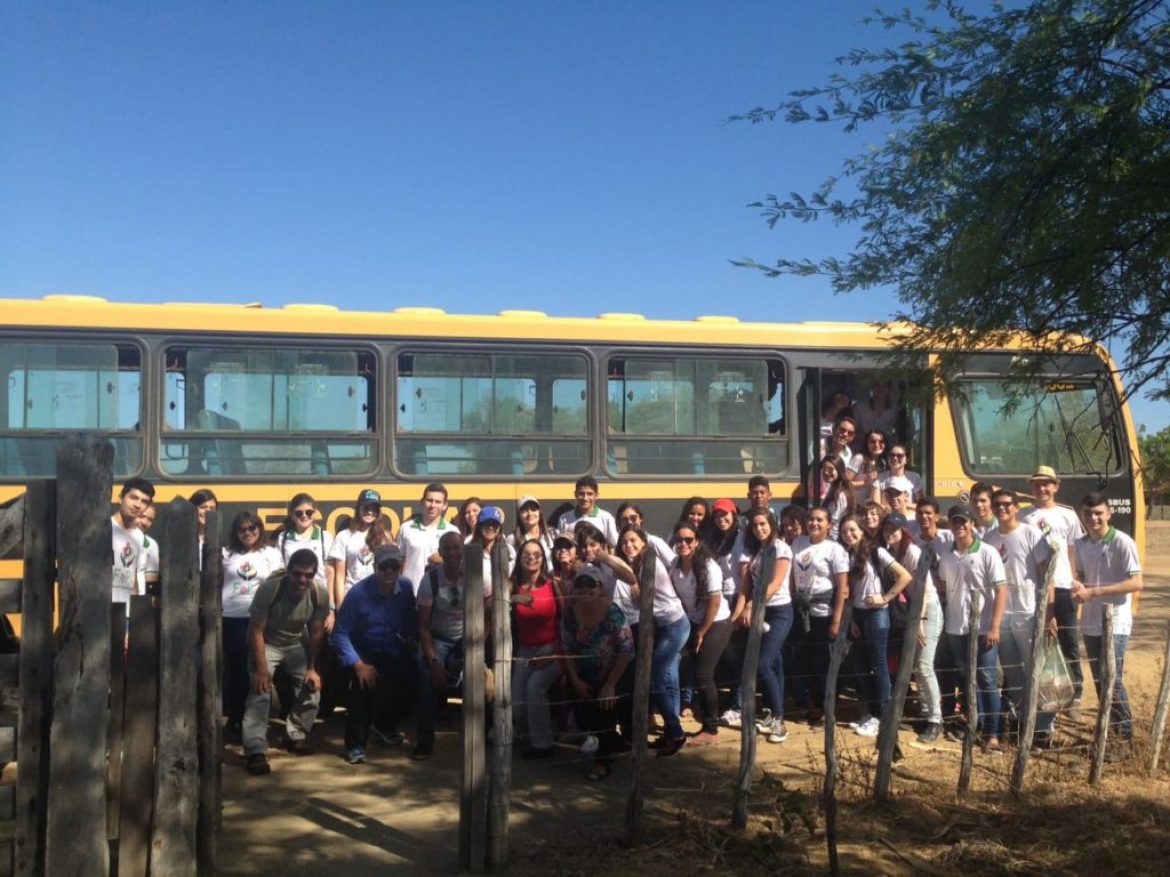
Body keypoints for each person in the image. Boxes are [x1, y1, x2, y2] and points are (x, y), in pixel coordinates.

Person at [241, 549, 328, 776]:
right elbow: (256, 631)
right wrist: (261, 669)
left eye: (308, 575)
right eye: (297, 574)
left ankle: (295, 734)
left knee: (311, 688)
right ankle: (255, 749)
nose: (302, 580)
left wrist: (312, 668)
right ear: (288, 572)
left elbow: (317, 632)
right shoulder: (271, 588)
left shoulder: (319, 592)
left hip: (297, 642)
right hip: (266, 642)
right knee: (260, 690)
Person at [332, 544, 418, 764]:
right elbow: (340, 634)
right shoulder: (358, 594)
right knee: (362, 687)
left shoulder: (406, 587)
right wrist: (358, 664)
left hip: (391, 647)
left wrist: (411, 640)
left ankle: (384, 726)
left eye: (394, 566)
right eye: (384, 566)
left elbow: (409, 617)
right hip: (362, 649)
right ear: (374, 567)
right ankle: (356, 745)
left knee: (415, 678)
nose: (389, 571)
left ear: (400, 567)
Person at [1072, 492, 1142, 759]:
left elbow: (1136, 583)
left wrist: (1095, 592)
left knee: (1112, 678)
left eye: (1099, 513)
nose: (1094, 518)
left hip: (1117, 621)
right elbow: (1081, 575)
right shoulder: (1081, 543)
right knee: (1101, 681)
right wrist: (1079, 586)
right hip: (1090, 622)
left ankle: (1124, 739)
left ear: (1109, 513)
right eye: (1089, 514)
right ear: (1082, 516)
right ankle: (1109, 733)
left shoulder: (1123, 542)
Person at [413, 531, 492, 760]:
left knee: (478, 680)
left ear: (464, 550)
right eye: (447, 548)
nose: (453, 553)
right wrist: (434, 662)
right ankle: (424, 742)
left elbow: (489, 615)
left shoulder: (477, 576)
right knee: (426, 680)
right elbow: (424, 626)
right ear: (440, 552)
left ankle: (480, 740)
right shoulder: (430, 580)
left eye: (457, 548)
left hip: (470, 637)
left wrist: (478, 647)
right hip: (438, 638)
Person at [983, 489, 1053, 743]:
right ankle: (1023, 720)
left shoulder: (1031, 533)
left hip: (1029, 611)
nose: (1001, 509)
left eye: (1006, 505)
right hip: (1002, 615)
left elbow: (1047, 576)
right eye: (997, 505)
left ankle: (1043, 726)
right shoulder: (989, 538)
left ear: (1016, 507)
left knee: (1036, 669)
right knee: (1013, 673)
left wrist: (1049, 614)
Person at [938, 505, 1008, 752]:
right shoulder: (946, 556)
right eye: (955, 522)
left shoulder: (988, 552)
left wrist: (995, 625)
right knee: (969, 678)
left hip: (984, 627)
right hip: (956, 627)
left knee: (987, 678)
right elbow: (945, 587)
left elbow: (1001, 589)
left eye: (963, 521)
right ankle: (975, 726)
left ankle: (994, 733)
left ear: (971, 524)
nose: (959, 526)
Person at [1018, 465, 1086, 716]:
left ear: (1056, 486)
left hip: (1063, 585)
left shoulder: (1068, 515)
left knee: (1068, 640)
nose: (1042, 488)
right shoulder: (1024, 516)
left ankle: (1075, 693)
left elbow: (1072, 551)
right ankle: (1045, 691)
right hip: (1035, 588)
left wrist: (1076, 579)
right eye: (1037, 484)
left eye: (1047, 483)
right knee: (1038, 641)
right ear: (1031, 487)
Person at [617, 524, 690, 757]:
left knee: (653, 678)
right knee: (661, 676)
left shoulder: (650, 562)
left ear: (644, 543)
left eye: (633, 541)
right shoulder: (637, 564)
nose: (629, 545)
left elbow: (639, 597)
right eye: (625, 541)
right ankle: (671, 731)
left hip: (674, 625)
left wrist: (629, 577)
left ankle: (676, 731)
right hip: (663, 626)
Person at [839, 515, 911, 737]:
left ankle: (884, 716)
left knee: (879, 665)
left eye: (853, 530)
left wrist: (885, 598)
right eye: (844, 532)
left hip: (877, 614)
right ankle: (871, 713)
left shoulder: (877, 552)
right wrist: (850, 620)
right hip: (858, 615)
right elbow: (850, 593)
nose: (848, 535)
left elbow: (904, 576)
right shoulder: (848, 556)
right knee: (861, 665)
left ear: (862, 530)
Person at [560, 565, 634, 780]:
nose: (585, 590)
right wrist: (574, 679)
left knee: (604, 713)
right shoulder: (570, 613)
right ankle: (616, 744)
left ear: (600, 587)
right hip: (584, 673)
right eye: (580, 584)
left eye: (590, 584)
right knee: (585, 717)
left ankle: (602, 763)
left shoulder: (612, 612)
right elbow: (567, 647)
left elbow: (626, 649)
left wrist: (610, 684)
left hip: (615, 672)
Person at [880, 512, 943, 742]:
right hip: (914, 611)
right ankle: (926, 713)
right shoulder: (892, 552)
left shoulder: (913, 552)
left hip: (928, 608)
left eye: (894, 529)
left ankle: (936, 719)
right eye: (886, 529)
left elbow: (924, 590)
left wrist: (919, 621)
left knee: (925, 665)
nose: (890, 533)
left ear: (904, 530)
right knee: (917, 666)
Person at [221, 510, 283, 742]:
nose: (248, 533)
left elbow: (278, 583)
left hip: (261, 618)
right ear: (236, 533)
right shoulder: (225, 554)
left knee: (259, 669)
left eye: (252, 528)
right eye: (242, 529)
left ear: (260, 529)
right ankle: (236, 718)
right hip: (231, 618)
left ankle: (256, 721)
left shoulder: (271, 554)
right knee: (236, 670)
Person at [735, 510, 795, 744]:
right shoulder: (758, 551)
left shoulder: (781, 548)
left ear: (772, 524)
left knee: (764, 663)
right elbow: (748, 584)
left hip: (780, 611)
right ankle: (772, 712)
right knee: (775, 663)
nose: (759, 528)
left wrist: (752, 604)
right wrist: (741, 610)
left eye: (763, 524)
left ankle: (780, 721)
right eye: (755, 525)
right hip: (763, 611)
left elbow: (775, 584)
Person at [672, 521, 731, 745]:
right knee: (698, 673)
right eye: (679, 540)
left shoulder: (708, 566)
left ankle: (711, 730)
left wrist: (701, 633)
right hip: (695, 621)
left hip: (715, 622)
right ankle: (706, 721)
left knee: (704, 674)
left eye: (688, 540)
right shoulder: (675, 565)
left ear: (696, 541)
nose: (683, 544)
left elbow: (714, 603)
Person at [790, 507, 850, 728]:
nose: (814, 523)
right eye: (811, 519)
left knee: (824, 662)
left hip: (824, 613)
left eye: (819, 520)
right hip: (802, 611)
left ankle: (828, 710)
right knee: (805, 662)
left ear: (829, 525)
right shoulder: (798, 544)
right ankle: (814, 705)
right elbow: (792, 576)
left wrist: (836, 619)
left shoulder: (835, 549)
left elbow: (843, 587)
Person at [510, 539, 561, 759]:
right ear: (520, 558)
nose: (531, 557)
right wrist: (515, 598)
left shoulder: (553, 584)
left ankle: (543, 745)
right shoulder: (512, 584)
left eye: (537, 554)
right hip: (524, 651)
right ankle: (532, 733)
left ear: (543, 558)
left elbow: (568, 622)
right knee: (516, 704)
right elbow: (492, 602)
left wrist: (555, 652)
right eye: (527, 554)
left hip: (553, 650)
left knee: (534, 688)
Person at [707, 498, 748, 728]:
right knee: (727, 655)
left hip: (735, 598)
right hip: (719, 599)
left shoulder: (742, 538)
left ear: (734, 515)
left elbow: (747, 578)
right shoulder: (713, 540)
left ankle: (738, 706)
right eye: (717, 516)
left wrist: (742, 608)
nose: (721, 519)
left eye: (726, 515)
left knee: (737, 655)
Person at [274, 494, 335, 628]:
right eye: (299, 513)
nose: (304, 516)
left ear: (315, 513)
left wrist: (331, 608)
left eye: (309, 512)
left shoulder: (325, 537)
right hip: (292, 597)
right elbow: (279, 571)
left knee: (318, 642)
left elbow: (330, 573)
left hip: (319, 597)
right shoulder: (283, 538)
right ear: (291, 514)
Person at [329, 488, 386, 605]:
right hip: (352, 597)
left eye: (374, 509)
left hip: (378, 599)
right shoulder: (344, 536)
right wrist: (340, 606)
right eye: (366, 508)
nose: (370, 512)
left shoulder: (384, 537)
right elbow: (340, 576)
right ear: (358, 508)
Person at [396, 483, 453, 594]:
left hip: (440, 595)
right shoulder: (406, 528)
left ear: (445, 505)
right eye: (429, 500)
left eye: (438, 502)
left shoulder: (452, 531)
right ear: (422, 502)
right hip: (410, 593)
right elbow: (399, 561)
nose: (433, 505)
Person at [112, 477, 154, 607]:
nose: (138, 505)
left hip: (127, 611)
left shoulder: (139, 536)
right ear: (121, 498)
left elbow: (135, 575)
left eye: (144, 501)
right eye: (133, 498)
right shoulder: (105, 528)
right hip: (103, 610)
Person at [557, 476, 619, 547]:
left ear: (596, 496)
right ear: (575, 494)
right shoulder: (564, 519)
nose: (585, 498)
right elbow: (561, 544)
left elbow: (614, 544)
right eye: (581, 494)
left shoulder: (606, 518)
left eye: (590, 494)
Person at [615, 502, 675, 566]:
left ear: (641, 519)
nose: (629, 522)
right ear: (619, 523)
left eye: (633, 518)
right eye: (624, 520)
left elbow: (674, 565)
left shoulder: (654, 542)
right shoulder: (620, 545)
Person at [814, 455, 853, 540]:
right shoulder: (832, 489)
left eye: (831, 469)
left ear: (839, 470)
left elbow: (835, 523)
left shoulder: (841, 495)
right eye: (824, 469)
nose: (826, 472)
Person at [508, 495, 554, 567]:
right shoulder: (512, 539)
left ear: (539, 512)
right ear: (519, 516)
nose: (530, 513)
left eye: (533, 509)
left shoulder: (553, 534)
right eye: (524, 510)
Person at [848, 430, 889, 507]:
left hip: (871, 509)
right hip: (854, 506)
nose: (877, 445)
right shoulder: (859, 459)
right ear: (867, 444)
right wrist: (865, 482)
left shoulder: (884, 464)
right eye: (873, 442)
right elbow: (845, 483)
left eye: (881, 441)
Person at [188, 488, 219, 570]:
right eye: (203, 507)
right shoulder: (182, 538)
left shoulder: (219, 540)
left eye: (212, 508)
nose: (208, 511)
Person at [135, 503, 160, 598]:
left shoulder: (151, 544)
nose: (145, 522)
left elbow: (151, 580)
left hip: (139, 602)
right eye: (141, 516)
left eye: (150, 519)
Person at [819, 391, 853, 457]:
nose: (843, 398)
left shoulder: (843, 424)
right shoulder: (817, 412)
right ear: (833, 396)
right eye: (841, 394)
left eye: (847, 398)